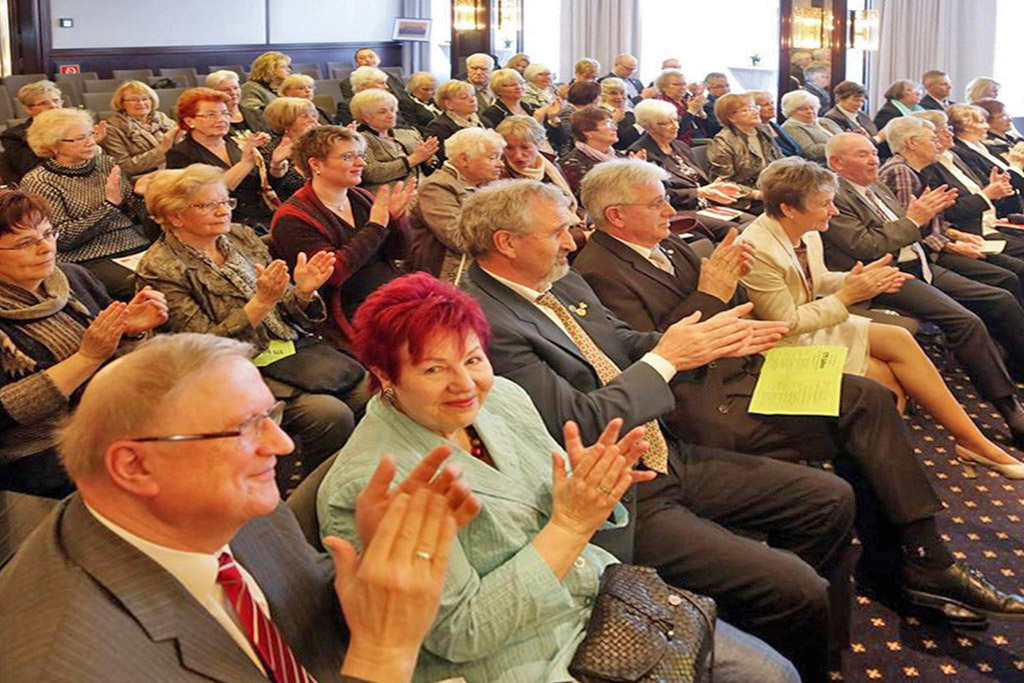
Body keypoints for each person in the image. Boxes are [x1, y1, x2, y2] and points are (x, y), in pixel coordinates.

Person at [573, 158, 1024, 623]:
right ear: (616, 216)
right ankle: (913, 565)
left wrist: (728, 296)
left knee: (871, 400)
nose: (671, 210)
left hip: (744, 369)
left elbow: (737, 307)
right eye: (658, 203)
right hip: (703, 403)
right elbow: (653, 357)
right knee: (865, 413)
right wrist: (711, 292)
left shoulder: (665, 243)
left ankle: (913, 558)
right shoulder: (599, 271)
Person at [458, 178, 853, 682]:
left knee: (830, 499)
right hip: (613, 493)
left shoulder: (559, 280)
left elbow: (620, 342)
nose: (572, 242)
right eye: (557, 232)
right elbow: (579, 422)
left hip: (661, 451)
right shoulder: (482, 322)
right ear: (507, 243)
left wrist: (703, 340)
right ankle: (777, 630)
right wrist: (668, 358)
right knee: (797, 587)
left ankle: (765, 622)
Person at [317, 272, 801, 683]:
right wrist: (570, 524)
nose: (464, 385)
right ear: (385, 375)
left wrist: (596, 485)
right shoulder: (374, 485)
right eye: (433, 369)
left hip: (601, 604)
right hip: (525, 660)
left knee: (775, 672)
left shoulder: (502, 397)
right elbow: (460, 633)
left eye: (473, 359)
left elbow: (571, 505)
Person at [0, 331, 479, 683]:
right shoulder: (65, 661)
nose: (283, 445)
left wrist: (373, 576)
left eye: (271, 415)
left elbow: (304, 621)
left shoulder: (230, 505)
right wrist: (383, 656)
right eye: (246, 427)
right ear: (136, 466)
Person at [741, 156, 1024, 477]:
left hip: (810, 324)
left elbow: (816, 281)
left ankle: (969, 440)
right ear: (789, 208)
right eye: (825, 204)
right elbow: (785, 324)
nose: (833, 211)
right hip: (779, 344)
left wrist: (856, 280)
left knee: (898, 337)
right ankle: (885, 474)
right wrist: (848, 295)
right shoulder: (757, 248)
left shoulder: (805, 230)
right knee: (886, 386)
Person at [137, 164, 356, 481]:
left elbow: (288, 310)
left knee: (369, 389)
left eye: (225, 201)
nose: (222, 211)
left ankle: (354, 479)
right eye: (208, 205)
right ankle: (312, 489)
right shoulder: (160, 268)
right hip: (234, 368)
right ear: (175, 217)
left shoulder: (240, 236)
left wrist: (304, 292)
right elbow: (203, 347)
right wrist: (260, 304)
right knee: (329, 415)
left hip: (290, 350)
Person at [823, 132, 1024, 443]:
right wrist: (915, 219)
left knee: (999, 296)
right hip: (884, 274)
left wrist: (928, 220)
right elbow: (866, 247)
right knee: (965, 321)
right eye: (862, 155)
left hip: (920, 263)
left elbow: (912, 231)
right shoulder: (835, 197)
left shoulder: (876, 187)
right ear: (837, 163)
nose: (874, 159)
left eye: (873, 153)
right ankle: (1009, 408)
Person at [0, 188, 166, 498]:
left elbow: (122, 364)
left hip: (114, 418)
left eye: (48, 234)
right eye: (25, 243)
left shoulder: (74, 278)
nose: (45, 248)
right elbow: (5, 411)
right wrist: (87, 357)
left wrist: (129, 333)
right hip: (43, 454)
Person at [270, 126, 413, 348]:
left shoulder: (360, 197)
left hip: (389, 292)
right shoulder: (293, 218)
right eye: (348, 157)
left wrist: (395, 220)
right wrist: (376, 226)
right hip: (345, 310)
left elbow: (399, 252)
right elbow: (334, 275)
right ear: (316, 164)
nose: (361, 163)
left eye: (360, 155)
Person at [20, 108, 150, 300]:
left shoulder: (106, 164)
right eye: (80, 138)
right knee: (151, 286)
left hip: (135, 245)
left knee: (184, 273)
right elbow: (62, 239)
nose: (91, 142)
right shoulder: (39, 181)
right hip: (88, 257)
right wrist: (109, 207)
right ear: (54, 145)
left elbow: (134, 216)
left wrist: (139, 196)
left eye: (90, 134)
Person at [883, 115, 1024, 285]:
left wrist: (957, 235)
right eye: (933, 139)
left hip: (952, 238)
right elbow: (911, 227)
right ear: (912, 143)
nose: (938, 143)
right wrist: (952, 244)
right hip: (925, 254)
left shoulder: (920, 167)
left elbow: (933, 220)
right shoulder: (901, 171)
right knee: (1008, 279)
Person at [629, 99, 755, 236]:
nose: (675, 126)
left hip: (706, 204)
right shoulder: (641, 152)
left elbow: (697, 180)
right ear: (649, 127)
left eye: (676, 120)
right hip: (680, 210)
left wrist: (715, 188)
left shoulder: (680, 146)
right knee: (735, 230)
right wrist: (699, 192)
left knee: (752, 223)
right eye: (666, 123)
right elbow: (659, 195)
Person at [166, 88, 283, 233]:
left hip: (262, 217)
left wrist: (277, 164)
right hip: (222, 223)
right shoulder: (180, 154)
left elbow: (266, 185)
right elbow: (205, 197)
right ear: (189, 121)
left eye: (225, 113)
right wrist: (245, 163)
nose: (221, 119)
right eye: (211, 115)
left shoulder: (235, 143)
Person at [409, 127, 505, 281]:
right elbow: (459, 239)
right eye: (493, 158)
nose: (500, 164)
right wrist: (506, 237)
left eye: (500, 157)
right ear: (464, 160)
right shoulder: (437, 186)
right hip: (445, 275)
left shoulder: (485, 184)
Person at [350, 89, 439, 193]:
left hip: (425, 188)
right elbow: (371, 173)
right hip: (390, 194)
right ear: (365, 117)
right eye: (382, 112)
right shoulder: (360, 139)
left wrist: (427, 159)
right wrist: (412, 159)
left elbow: (433, 163)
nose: (391, 115)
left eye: (392, 110)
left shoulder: (409, 132)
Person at [708, 92, 783, 213]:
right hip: (746, 201)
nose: (756, 112)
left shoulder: (763, 131)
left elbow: (780, 161)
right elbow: (723, 182)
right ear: (731, 117)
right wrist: (756, 194)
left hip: (772, 190)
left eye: (755, 107)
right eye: (747, 110)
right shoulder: (723, 141)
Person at [947, 102, 1024, 214]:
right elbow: (994, 186)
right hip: (999, 211)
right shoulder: (962, 152)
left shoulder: (983, 146)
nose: (987, 126)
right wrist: (1016, 166)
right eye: (981, 122)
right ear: (966, 126)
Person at [99, 81, 179, 182]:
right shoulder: (112, 128)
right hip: (143, 179)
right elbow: (125, 167)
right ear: (121, 103)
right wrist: (161, 150)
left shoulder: (163, 119)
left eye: (145, 99)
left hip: (175, 171)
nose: (141, 103)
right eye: (133, 100)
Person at [256, 96, 319, 203]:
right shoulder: (271, 147)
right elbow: (288, 184)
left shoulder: (321, 142)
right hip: (297, 202)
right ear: (286, 122)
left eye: (313, 115)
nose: (312, 120)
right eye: (304, 116)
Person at [560, 106, 629, 202]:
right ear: (586, 132)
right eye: (608, 124)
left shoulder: (619, 156)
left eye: (613, 123)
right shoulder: (572, 165)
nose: (615, 128)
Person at [0, 81, 63, 185]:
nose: (53, 106)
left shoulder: (76, 128)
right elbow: (31, 169)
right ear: (28, 109)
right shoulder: (14, 136)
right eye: (44, 103)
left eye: (56, 101)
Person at [479, 68, 562, 144]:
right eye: (512, 85)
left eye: (521, 83)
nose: (518, 87)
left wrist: (553, 119)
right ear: (498, 90)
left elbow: (560, 140)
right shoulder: (493, 113)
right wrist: (536, 121)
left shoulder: (534, 107)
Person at [423, 79, 483, 162]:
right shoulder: (439, 127)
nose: (472, 100)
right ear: (449, 104)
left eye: (473, 95)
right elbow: (446, 157)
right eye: (464, 97)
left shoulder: (482, 121)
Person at [781, 90, 842, 164]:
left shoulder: (826, 121)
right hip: (822, 165)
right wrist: (840, 146)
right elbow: (810, 151)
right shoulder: (790, 128)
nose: (810, 111)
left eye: (813, 107)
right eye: (803, 109)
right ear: (791, 111)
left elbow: (844, 136)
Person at [653, 68, 709, 145]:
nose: (682, 87)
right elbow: (676, 131)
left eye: (684, 84)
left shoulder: (685, 101)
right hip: (679, 144)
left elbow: (708, 129)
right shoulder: (661, 104)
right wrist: (691, 111)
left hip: (700, 139)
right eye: (676, 84)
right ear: (663, 87)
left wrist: (701, 113)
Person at [205, 69, 268, 134]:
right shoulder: (211, 119)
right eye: (226, 90)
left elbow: (270, 135)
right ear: (213, 92)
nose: (233, 92)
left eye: (236, 88)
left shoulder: (256, 114)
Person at [822, 80, 883, 145]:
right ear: (841, 98)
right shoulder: (832, 117)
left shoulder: (862, 115)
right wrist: (878, 138)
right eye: (856, 100)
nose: (860, 104)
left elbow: (873, 133)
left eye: (862, 101)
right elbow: (847, 143)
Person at [342, 47, 409, 101]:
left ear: (379, 59)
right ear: (356, 63)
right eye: (362, 58)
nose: (367, 60)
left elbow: (404, 98)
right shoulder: (348, 82)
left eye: (371, 56)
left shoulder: (393, 76)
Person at [750, 90, 803, 157]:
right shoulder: (755, 131)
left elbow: (797, 149)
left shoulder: (775, 126)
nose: (772, 107)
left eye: (772, 103)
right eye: (766, 105)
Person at [598, 77, 642, 150]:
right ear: (603, 95)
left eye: (622, 93)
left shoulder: (631, 110)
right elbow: (622, 141)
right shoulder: (601, 113)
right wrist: (642, 125)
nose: (619, 97)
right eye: (613, 93)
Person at [400, 71, 441, 135]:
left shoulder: (434, 101)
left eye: (432, 89)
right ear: (413, 88)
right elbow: (412, 126)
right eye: (425, 89)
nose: (429, 93)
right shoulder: (406, 103)